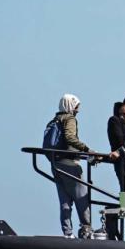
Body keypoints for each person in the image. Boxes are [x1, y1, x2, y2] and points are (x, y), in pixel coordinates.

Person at [45, 94, 94, 238]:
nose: (78, 110)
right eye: (77, 106)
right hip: (70, 164)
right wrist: (87, 149)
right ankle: (87, 229)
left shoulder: (54, 120)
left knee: (65, 201)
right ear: (71, 106)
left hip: (56, 164)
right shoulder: (69, 119)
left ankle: (67, 232)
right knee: (81, 198)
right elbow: (70, 137)